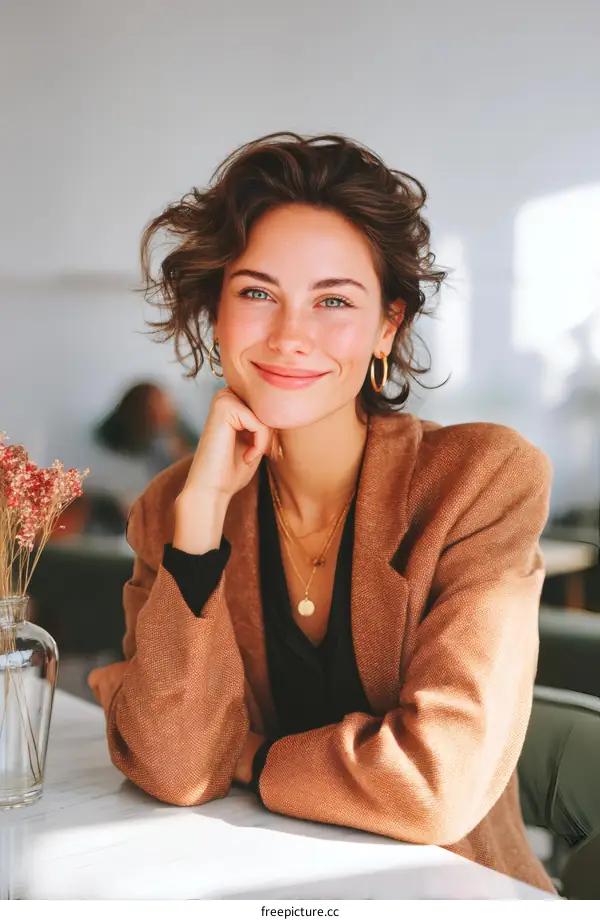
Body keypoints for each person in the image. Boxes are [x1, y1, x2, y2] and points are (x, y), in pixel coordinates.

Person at [89, 132, 555, 893]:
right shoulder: (171, 507)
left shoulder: (479, 480)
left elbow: (434, 784)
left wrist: (252, 755)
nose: (290, 335)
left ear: (386, 327)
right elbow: (175, 768)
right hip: (245, 891)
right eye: (257, 292)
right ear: (216, 313)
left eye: (333, 300)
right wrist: (203, 514)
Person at [89, 381, 198, 518]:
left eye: (166, 404)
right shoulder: (120, 450)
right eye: (159, 406)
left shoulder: (174, 436)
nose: (169, 411)